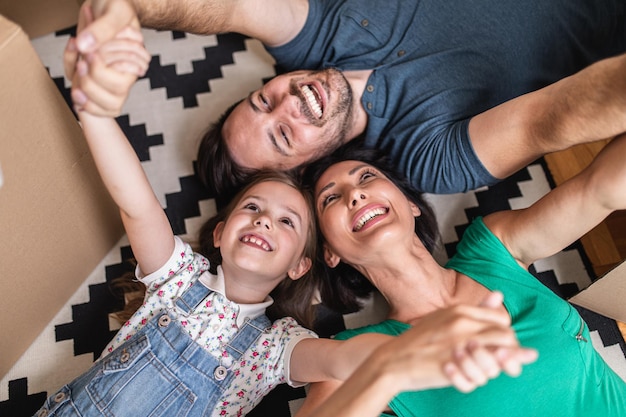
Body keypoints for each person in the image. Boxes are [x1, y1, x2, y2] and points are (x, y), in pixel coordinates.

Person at [34, 34, 537, 417]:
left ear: (301, 264)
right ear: (219, 233)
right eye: (251, 209)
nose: (263, 222)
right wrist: (94, 111)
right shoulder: (175, 278)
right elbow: (137, 205)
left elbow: (345, 360)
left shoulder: (274, 348)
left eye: (287, 221)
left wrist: (418, 348)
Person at [64, 0, 625, 199]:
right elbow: (552, 119)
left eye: (263, 102)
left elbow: (224, 6)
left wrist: (126, 10)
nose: (289, 102)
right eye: (284, 134)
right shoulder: (424, 157)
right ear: (311, 168)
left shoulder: (313, 38)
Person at [295, 135, 626, 416]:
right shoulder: (347, 353)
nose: (355, 195)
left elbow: (600, 188)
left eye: (366, 178)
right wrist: (389, 367)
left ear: (411, 204)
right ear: (329, 252)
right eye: (331, 199)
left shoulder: (492, 248)